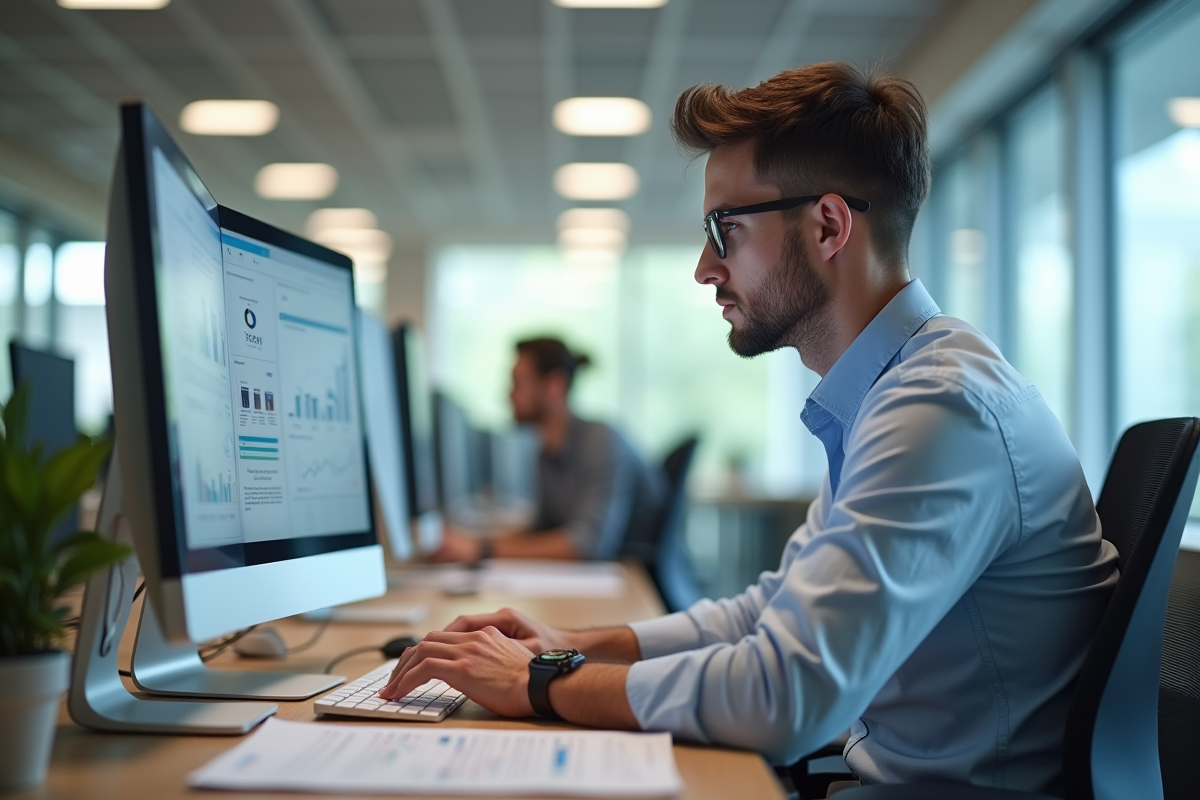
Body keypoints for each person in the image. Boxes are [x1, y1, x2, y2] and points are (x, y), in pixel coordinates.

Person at [382, 62, 1118, 793]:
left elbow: (784, 695)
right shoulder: (893, 393)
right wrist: (573, 643)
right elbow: (769, 608)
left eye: (723, 229)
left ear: (829, 225)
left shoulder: (939, 410)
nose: (705, 268)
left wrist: (545, 681)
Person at [431, 337, 665, 562]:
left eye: (517, 383)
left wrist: (480, 549)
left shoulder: (601, 440)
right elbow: (540, 531)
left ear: (555, 386)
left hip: (640, 584)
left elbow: (584, 546)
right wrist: (470, 542)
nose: (507, 395)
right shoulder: (548, 452)